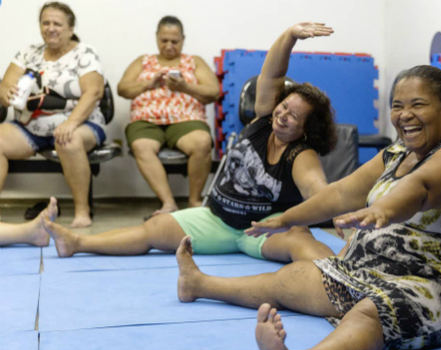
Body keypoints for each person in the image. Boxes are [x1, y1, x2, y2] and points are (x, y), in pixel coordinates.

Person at [174, 65, 441, 350]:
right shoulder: (397, 153)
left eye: (418, 104)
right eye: (398, 106)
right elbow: (341, 194)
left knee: (372, 312)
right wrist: (285, 219)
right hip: (369, 271)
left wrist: (382, 210)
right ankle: (198, 284)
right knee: (293, 277)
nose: (405, 116)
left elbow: (421, 188)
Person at [44, 22, 338, 264]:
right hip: (216, 220)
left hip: (261, 229)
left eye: (294, 116)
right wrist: (288, 36)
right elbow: (271, 73)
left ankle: (342, 276)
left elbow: (318, 191)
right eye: (284, 107)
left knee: (299, 242)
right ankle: (77, 241)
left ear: (307, 128)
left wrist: (292, 220)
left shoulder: (301, 154)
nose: (283, 116)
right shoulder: (264, 119)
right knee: (153, 230)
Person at [0, 2, 106, 228]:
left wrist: (71, 123)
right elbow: (5, 84)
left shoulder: (85, 53)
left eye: (57, 23)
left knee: (68, 140)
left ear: (70, 28)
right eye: (45, 23)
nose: (50, 28)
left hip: (80, 122)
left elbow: (93, 92)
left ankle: (82, 212)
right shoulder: (28, 52)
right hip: (30, 125)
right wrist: (6, 92)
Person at [117, 16, 220, 217]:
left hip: (186, 119)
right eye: (164, 40)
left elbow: (213, 92)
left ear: (183, 39)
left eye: (174, 41)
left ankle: (195, 200)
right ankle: (168, 203)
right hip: (146, 120)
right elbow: (122, 89)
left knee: (201, 142)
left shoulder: (194, 61)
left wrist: (185, 86)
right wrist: (148, 84)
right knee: (141, 146)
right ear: (156, 38)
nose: (169, 46)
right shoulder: (143, 61)